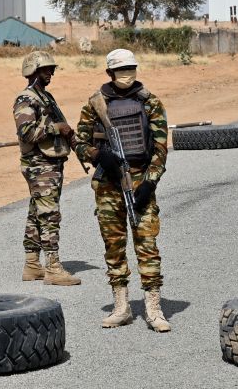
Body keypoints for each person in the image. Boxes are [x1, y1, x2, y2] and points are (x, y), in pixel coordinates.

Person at [74, 49, 171, 332]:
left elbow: (161, 148)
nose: (126, 74)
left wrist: (150, 182)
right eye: (121, 70)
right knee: (113, 246)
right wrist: (97, 155)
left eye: (130, 69)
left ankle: (154, 308)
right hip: (108, 183)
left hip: (140, 179)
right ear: (110, 73)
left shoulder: (150, 102)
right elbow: (79, 142)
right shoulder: (95, 103)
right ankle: (121, 307)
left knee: (147, 244)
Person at [13, 51, 80, 286]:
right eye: (45, 69)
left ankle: (32, 264)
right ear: (33, 71)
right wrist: (56, 128)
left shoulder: (46, 97)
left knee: (37, 212)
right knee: (50, 214)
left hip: (50, 163)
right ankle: (53, 267)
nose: (50, 73)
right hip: (39, 164)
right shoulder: (26, 99)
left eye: (52, 69)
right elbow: (27, 133)